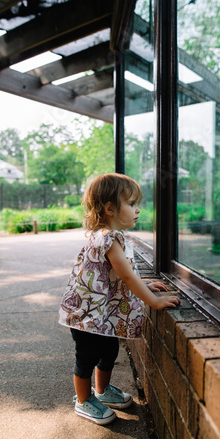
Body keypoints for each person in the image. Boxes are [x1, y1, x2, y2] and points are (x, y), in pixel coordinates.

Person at [59, 173, 180, 425]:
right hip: (87, 315)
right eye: (132, 204)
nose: (138, 210)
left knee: (109, 350)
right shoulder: (108, 239)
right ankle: (83, 401)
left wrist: (144, 283)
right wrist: (153, 302)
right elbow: (126, 277)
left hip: (101, 312)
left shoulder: (112, 237)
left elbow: (120, 272)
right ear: (111, 208)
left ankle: (102, 391)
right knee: (87, 357)